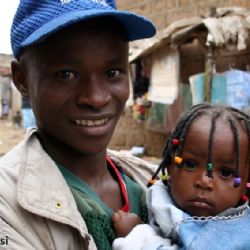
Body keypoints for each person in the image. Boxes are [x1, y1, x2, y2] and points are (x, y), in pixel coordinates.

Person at [0, 1, 156, 249]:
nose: (96, 98)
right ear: (22, 79)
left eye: (113, 72)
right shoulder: (7, 205)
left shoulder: (153, 180)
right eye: (66, 74)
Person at [112, 103, 250, 250]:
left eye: (225, 173)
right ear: (170, 167)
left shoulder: (239, 234)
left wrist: (137, 237)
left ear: (245, 185)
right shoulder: (160, 198)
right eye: (190, 164)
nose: (204, 181)